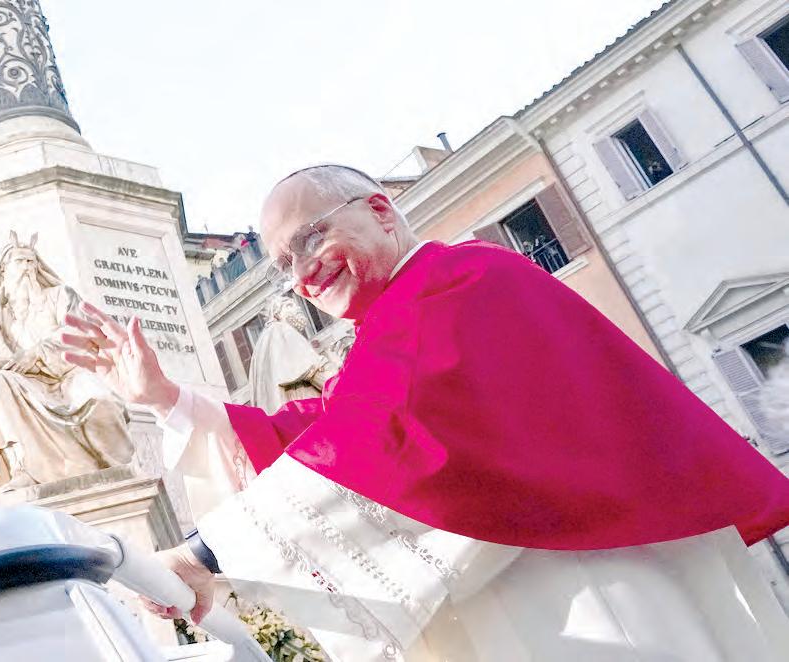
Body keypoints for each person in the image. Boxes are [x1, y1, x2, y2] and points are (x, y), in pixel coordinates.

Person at [63, 165, 789, 661]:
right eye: (284, 266)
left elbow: (390, 435)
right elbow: (325, 430)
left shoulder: (462, 280)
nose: (303, 274)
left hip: (586, 594)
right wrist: (168, 399)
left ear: (381, 211)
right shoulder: (389, 333)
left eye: (311, 239)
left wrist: (202, 555)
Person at [0, 232, 132, 491]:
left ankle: (116, 469)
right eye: (19, 262)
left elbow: (80, 332)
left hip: (70, 374)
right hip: (31, 384)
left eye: (31, 262)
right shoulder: (1, 319)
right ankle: (25, 465)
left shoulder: (60, 295)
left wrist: (37, 353)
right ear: (3, 272)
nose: (27, 268)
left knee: (98, 399)